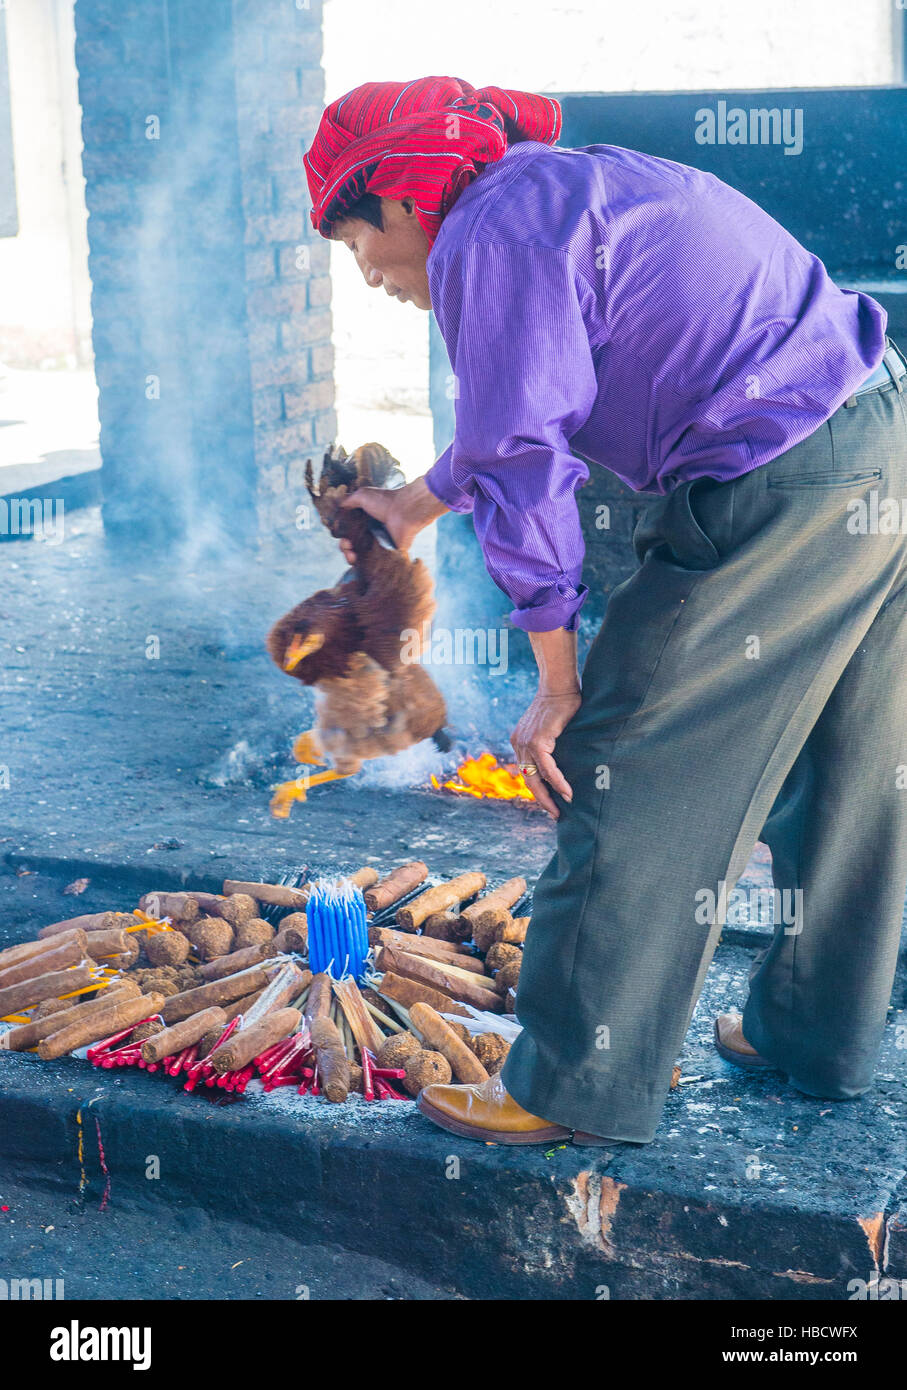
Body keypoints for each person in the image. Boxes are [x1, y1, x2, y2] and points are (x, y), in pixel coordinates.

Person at [303, 76, 907, 1145]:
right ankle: (816, 1035)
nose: (374, 280)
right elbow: (527, 405)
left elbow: (526, 465)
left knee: (624, 759)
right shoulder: (550, 193)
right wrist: (409, 502)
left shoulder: (482, 238)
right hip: (876, 436)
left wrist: (557, 682)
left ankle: (567, 1085)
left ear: (404, 200)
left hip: (778, 481)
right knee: (848, 765)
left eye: (359, 249)